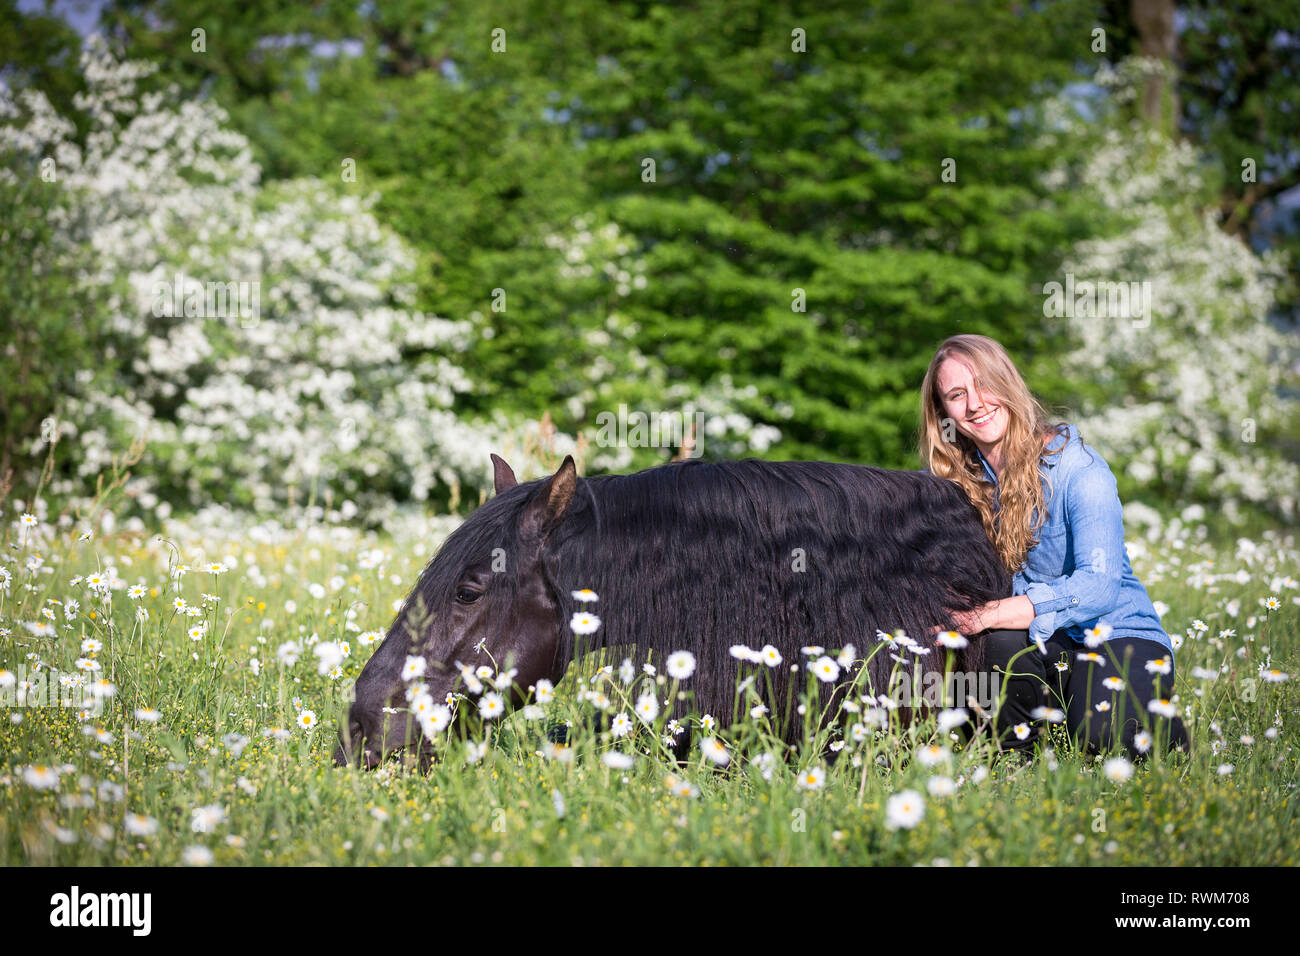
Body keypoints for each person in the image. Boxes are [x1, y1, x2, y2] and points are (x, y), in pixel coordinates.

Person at [918, 333, 1189, 760]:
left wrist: (986, 615)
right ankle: (1020, 751)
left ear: (1009, 383)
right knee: (992, 655)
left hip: (1115, 633)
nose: (975, 404)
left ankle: (1154, 723)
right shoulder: (953, 486)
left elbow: (1100, 586)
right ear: (943, 413)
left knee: (1106, 740)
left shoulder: (1078, 468)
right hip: (1041, 642)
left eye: (985, 384)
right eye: (956, 395)